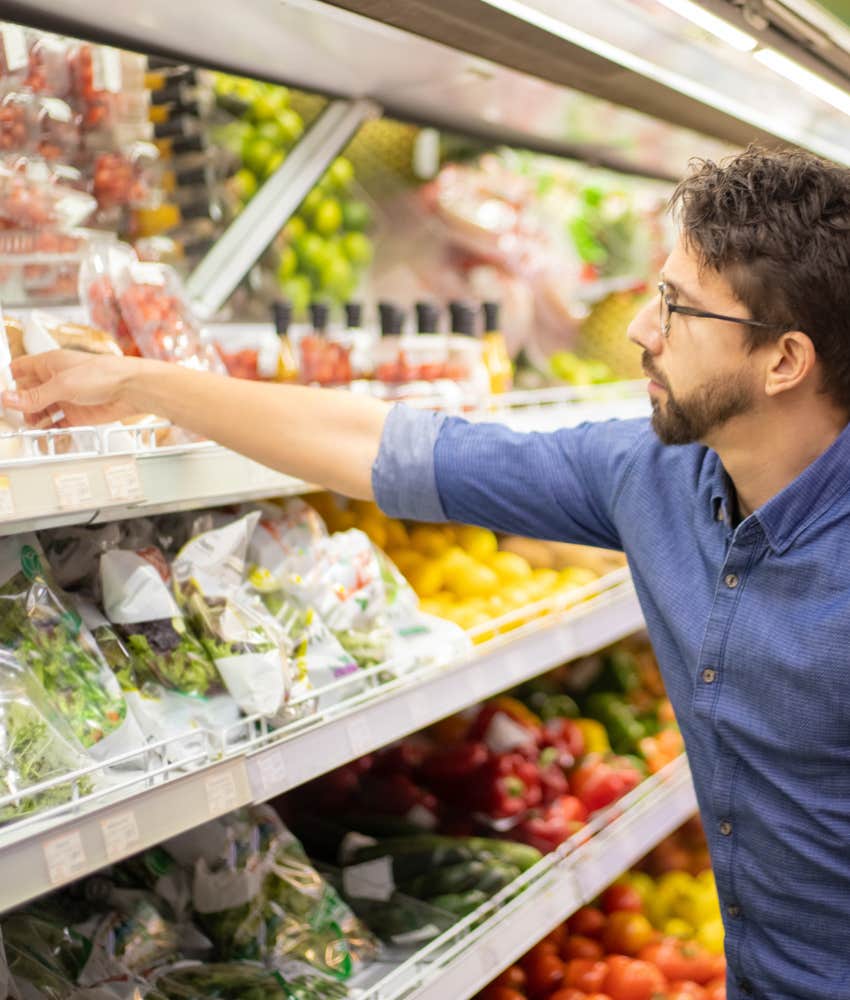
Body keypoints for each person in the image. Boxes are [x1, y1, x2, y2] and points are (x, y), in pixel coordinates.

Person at [5, 146, 850, 999]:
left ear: (784, 362)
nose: (640, 330)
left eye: (678, 307)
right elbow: (383, 446)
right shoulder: (654, 478)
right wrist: (140, 383)